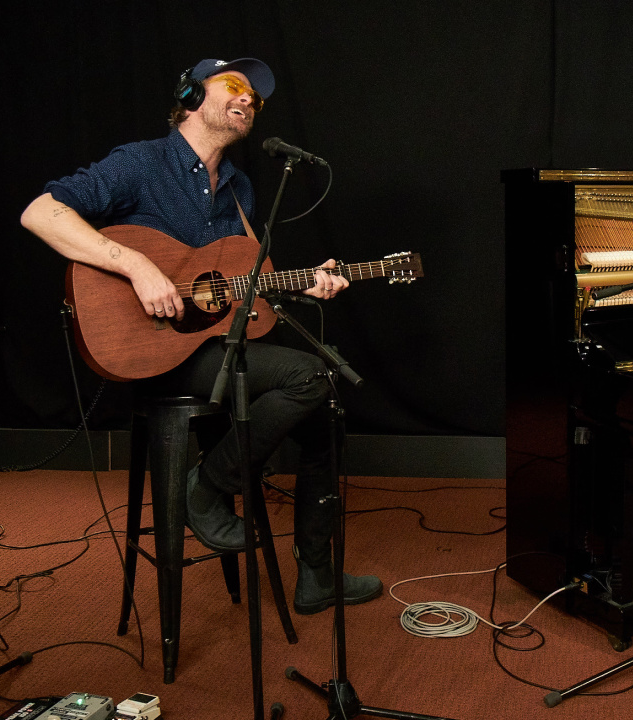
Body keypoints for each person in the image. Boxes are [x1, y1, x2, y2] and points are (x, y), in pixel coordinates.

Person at [20, 57, 382, 615]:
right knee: (311, 373)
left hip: (214, 346)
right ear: (190, 94)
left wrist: (307, 284)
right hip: (156, 351)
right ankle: (208, 488)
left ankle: (316, 576)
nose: (248, 101)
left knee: (325, 410)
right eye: (235, 87)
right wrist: (136, 265)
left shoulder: (239, 189)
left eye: (256, 99)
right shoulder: (141, 163)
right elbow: (42, 213)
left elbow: (235, 290)